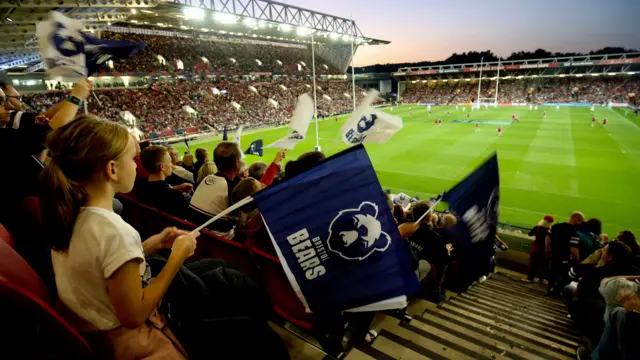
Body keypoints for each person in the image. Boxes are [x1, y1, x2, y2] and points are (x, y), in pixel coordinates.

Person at [39, 115, 200, 359]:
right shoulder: (115, 232)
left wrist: (150, 245)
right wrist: (176, 257)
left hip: (93, 332)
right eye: (132, 159)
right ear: (112, 169)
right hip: (123, 345)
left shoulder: (71, 215)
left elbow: (97, 265)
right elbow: (134, 315)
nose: (136, 166)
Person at [188, 141, 242, 237]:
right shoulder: (232, 188)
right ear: (237, 163)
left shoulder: (206, 179)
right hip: (219, 244)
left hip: (198, 238)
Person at [408, 201, 450, 303]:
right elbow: (445, 259)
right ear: (429, 217)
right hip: (415, 271)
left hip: (401, 269)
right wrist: (447, 251)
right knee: (443, 263)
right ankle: (434, 291)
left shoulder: (404, 227)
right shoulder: (433, 236)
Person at [137, 145, 193, 218]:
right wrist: (180, 194)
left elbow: (156, 190)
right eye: (170, 162)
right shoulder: (175, 196)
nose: (172, 165)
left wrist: (175, 188)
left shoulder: (140, 186)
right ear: (162, 166)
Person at [547, 211, 585, 294]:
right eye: (580, 221)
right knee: (563, 274)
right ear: (576, 220)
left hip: (553, 254)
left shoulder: (555, 226)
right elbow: (573, 249)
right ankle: (557, 291)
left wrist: (547, 251)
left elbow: (547, 239)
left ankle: (550, 288)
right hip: (564, 257)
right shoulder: (574, 234)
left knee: (553, 271)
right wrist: (577, 260)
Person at [526, 215, 554, 282]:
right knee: (543, 265)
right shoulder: (550, 230)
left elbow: (529, 234)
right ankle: (541, 279)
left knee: (533, 264)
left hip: (535, 248)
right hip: (544, 250)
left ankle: (530, 278)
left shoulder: (537, 228)